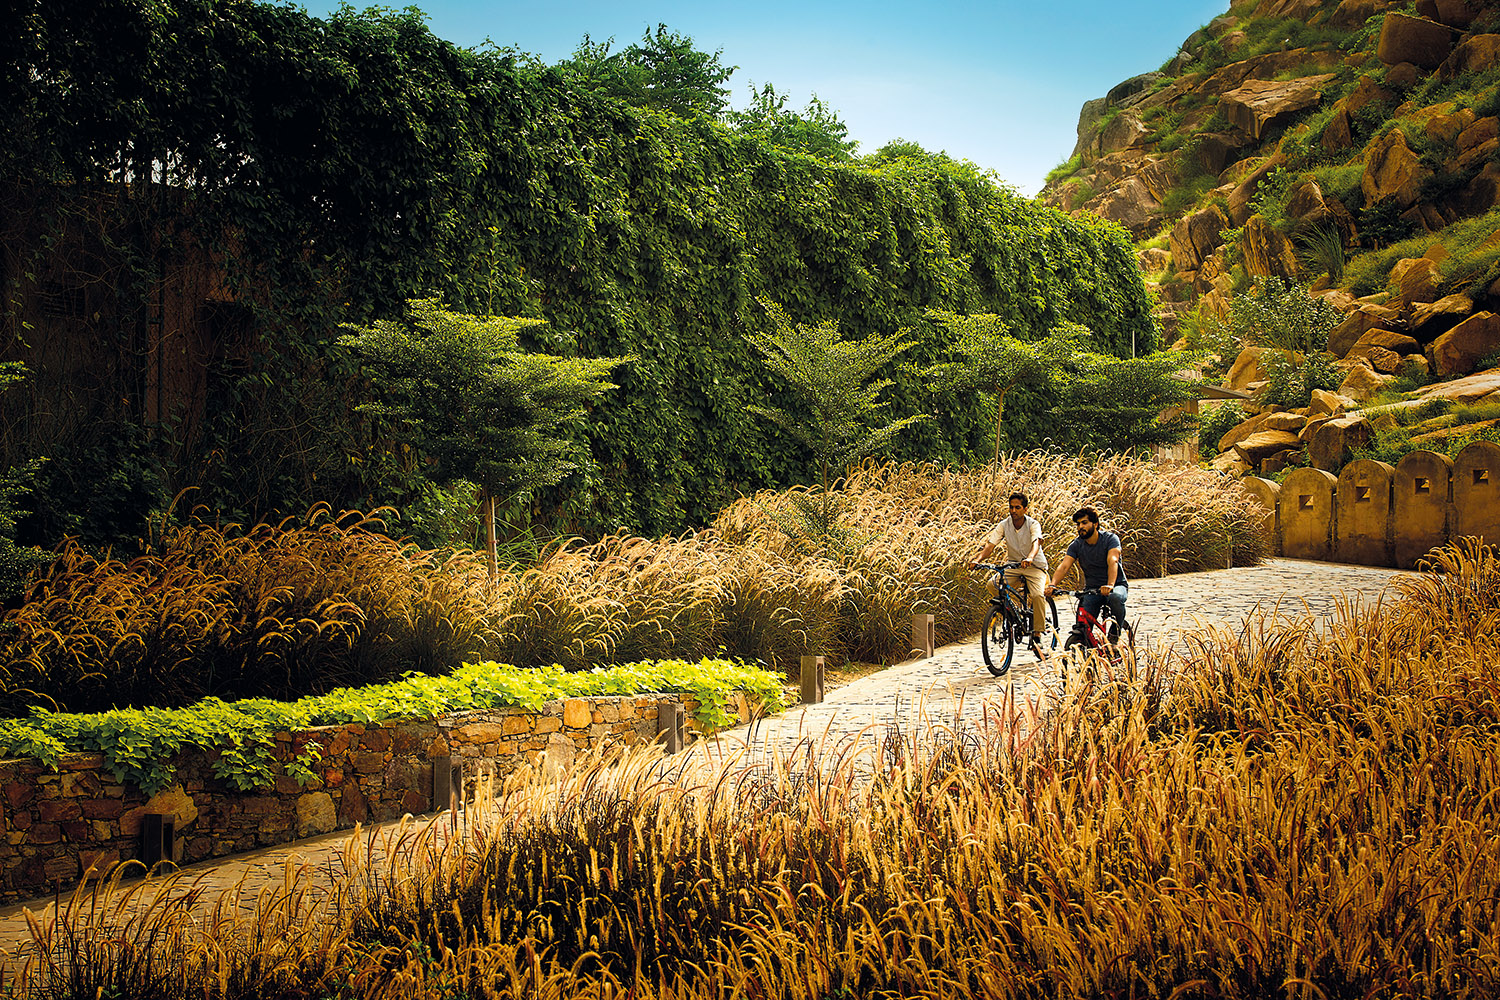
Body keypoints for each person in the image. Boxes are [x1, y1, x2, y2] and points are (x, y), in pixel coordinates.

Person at [971, 492, 1051, 654]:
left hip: (1034, 566)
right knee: (992, 585)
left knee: (1037, 595)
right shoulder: (1004, 525)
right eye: (1011, 507)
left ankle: (1037, 634)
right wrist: (977, 559)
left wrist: (1029, 557)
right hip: (1013, 566)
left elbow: (1036, 543)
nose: (1013, 511)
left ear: (1025, 509)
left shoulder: (1033, 524)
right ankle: (1013, 611)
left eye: (1017, 507)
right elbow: (990, 545)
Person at [1045, 507, 1128, 642]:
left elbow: (1113, 560)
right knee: (1082, 624)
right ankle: (1084, 646)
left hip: (1115, 585)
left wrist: (1110, 585)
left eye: (1084, 523)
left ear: (1095, 524)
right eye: (1078, 524)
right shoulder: (1076, 545)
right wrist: (1053, 584)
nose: (1080, 527)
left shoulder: (1110, 539)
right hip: (1092, 589)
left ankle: (1114, 633)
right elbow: (1065, 566)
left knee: (1116, 598)